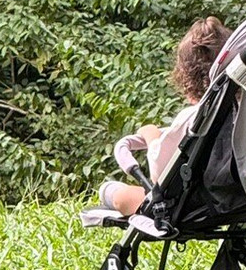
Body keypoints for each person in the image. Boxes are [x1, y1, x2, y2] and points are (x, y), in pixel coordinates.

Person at [98, 16, 233, 215]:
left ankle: (110, 192)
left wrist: (152, 135)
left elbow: (160, 173)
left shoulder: (194, 118)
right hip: (243, 198)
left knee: (120, 194)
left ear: (187, 79)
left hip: (194, 205)